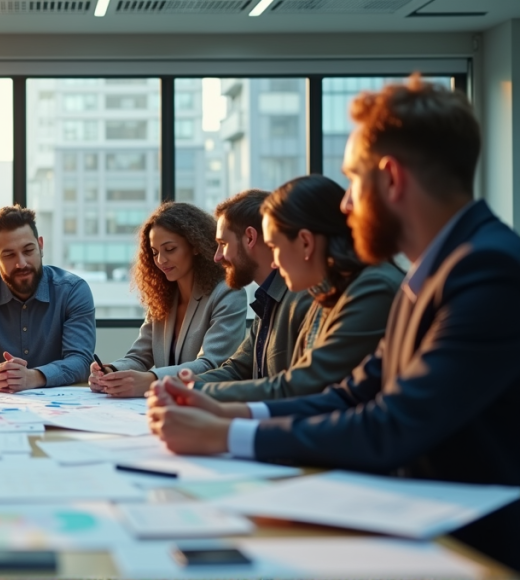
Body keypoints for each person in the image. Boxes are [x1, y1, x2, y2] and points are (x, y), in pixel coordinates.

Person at [147, 75, 520, 568]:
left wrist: (225, 436)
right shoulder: (429, 270)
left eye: (353, 181)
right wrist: (225, 413)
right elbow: (355, 393)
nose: (345, 205)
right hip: (414, 526)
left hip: (470, 551)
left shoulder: (486, 270)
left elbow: (393, 425)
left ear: (391, 179)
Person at [195, 175, 403, 402]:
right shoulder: (325, 292)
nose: (273, 262)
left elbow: (304, 386)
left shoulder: (370, 288)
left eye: (274, 246)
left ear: (305, 242)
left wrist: (195, 393)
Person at [88, 202, 246, 398]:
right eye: (154, 253)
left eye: (170, 249)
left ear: (196, 246)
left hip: (205, 406)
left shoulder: (227, 293)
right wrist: (111, 372)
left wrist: (151, 380)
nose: (161, 260)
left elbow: (212, 365)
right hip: (163, 406)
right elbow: (140, 356)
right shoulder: (163, 296)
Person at [0, 205, 95, 391]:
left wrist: (33, 377)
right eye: (9, 255)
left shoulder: (73, 290)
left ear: (40, 246)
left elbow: (81, 360)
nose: (21, 263)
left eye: (28, 250)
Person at [194, 190, 313, 385]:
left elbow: (293, 388)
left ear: (250, 238)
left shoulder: (301, 298)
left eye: (223, 244)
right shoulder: (268, 297)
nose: (217, 257)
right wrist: (186, 386)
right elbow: (238, 369)